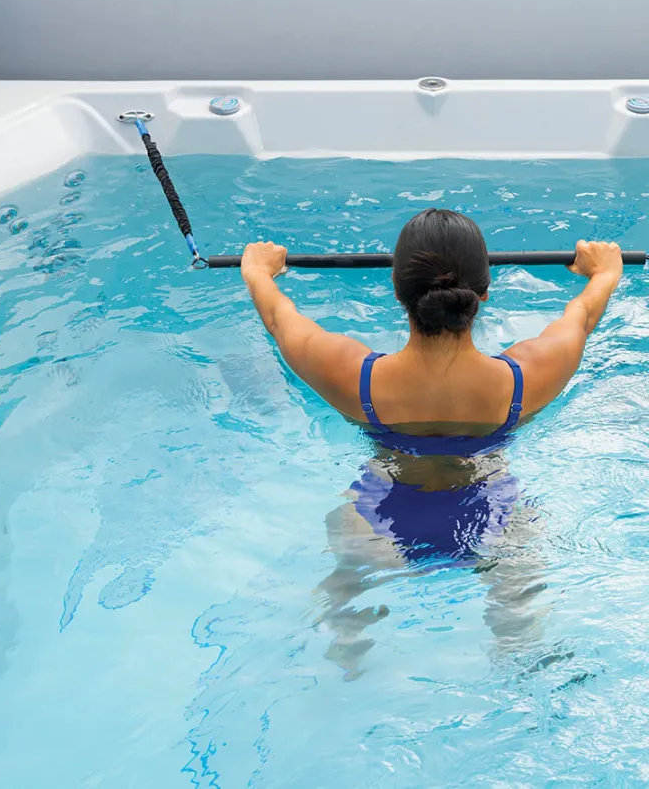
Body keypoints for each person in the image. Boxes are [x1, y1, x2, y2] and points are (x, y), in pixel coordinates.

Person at [242, 208, 623, 676]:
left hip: (375, 523)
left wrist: (259, 270)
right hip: (497, 520)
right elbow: (581, 316)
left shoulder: (355, 377)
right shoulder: (524, 380)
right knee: (522, 630)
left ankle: (348, 665)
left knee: (342, 606)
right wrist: (604, 270)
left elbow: (281, 321)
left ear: (399, 292)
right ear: (482, 293)